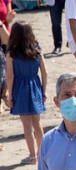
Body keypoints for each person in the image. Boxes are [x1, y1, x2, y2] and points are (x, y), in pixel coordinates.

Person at [3, 21, 46, 162]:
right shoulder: (37, 50)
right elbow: (44, 73)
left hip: (20, 89)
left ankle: (32, 155)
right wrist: (44, 90)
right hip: (35, 87)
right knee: (37, 123)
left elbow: (10, 76)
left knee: (26, 126)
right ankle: (42, 153)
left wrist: (9, 94)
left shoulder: (12, 54)